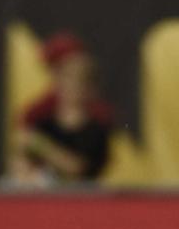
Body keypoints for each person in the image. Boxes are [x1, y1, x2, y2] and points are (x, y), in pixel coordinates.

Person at [11, 33, 112, 186]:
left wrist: (39, 144)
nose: (70, 86)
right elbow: (22, 153)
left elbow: (79, 167)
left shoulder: (97, 121)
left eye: (77, 80)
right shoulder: (41, 114)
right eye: (64, 74)